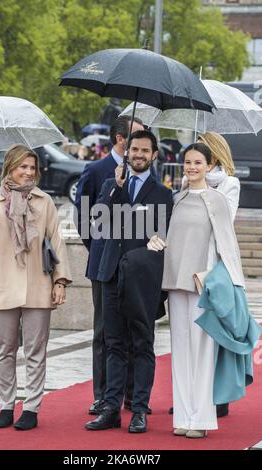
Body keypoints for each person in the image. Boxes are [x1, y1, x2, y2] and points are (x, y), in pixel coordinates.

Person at [0, 144, 72, 430]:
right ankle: (5, 405)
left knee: (36, 350)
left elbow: (57, 240)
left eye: (32, 168)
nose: (28, 172)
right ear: (10, 168)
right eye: (22, 167)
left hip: (38, 283)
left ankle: (31, 408)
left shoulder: (44, 201)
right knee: (4, 350)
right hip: (2, 284)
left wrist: (60, 280)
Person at [85, 130, 173, 433]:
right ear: (127, 151)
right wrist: (117, 190)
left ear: (154, 155)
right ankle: (110, 408)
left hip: (142, 280)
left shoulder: (162, 194)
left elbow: (160, 236)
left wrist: (148, 233)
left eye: (145, 150)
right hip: (110, 275)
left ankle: (139, 409)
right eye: (134, 149)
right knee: (114, 344)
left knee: (142, 345)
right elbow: (98, 224)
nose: (138, 154)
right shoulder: (112, 184)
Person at [162, 142, 245, 438]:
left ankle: (202, 419)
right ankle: (183, 416)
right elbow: (169, 240)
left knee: (202, 351)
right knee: (181, 351)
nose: (192, 167)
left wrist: (213, 276)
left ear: (210, 166)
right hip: (175, 282)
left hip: (202, 284)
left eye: (198, 162)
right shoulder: (178, 198)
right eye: (188, 162)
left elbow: (226, 245)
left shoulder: (217, 200)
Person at [74, 115, 144, 416]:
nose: (143, 145)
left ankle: (130, 394)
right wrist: (98, 249)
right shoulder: (96, 170)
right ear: (120, 140)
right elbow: (83, 216)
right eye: (137, 137)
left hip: (135, 264)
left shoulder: (144, 171)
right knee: (104, 331)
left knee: (133, 329)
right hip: (103, 264)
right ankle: (102, 395)